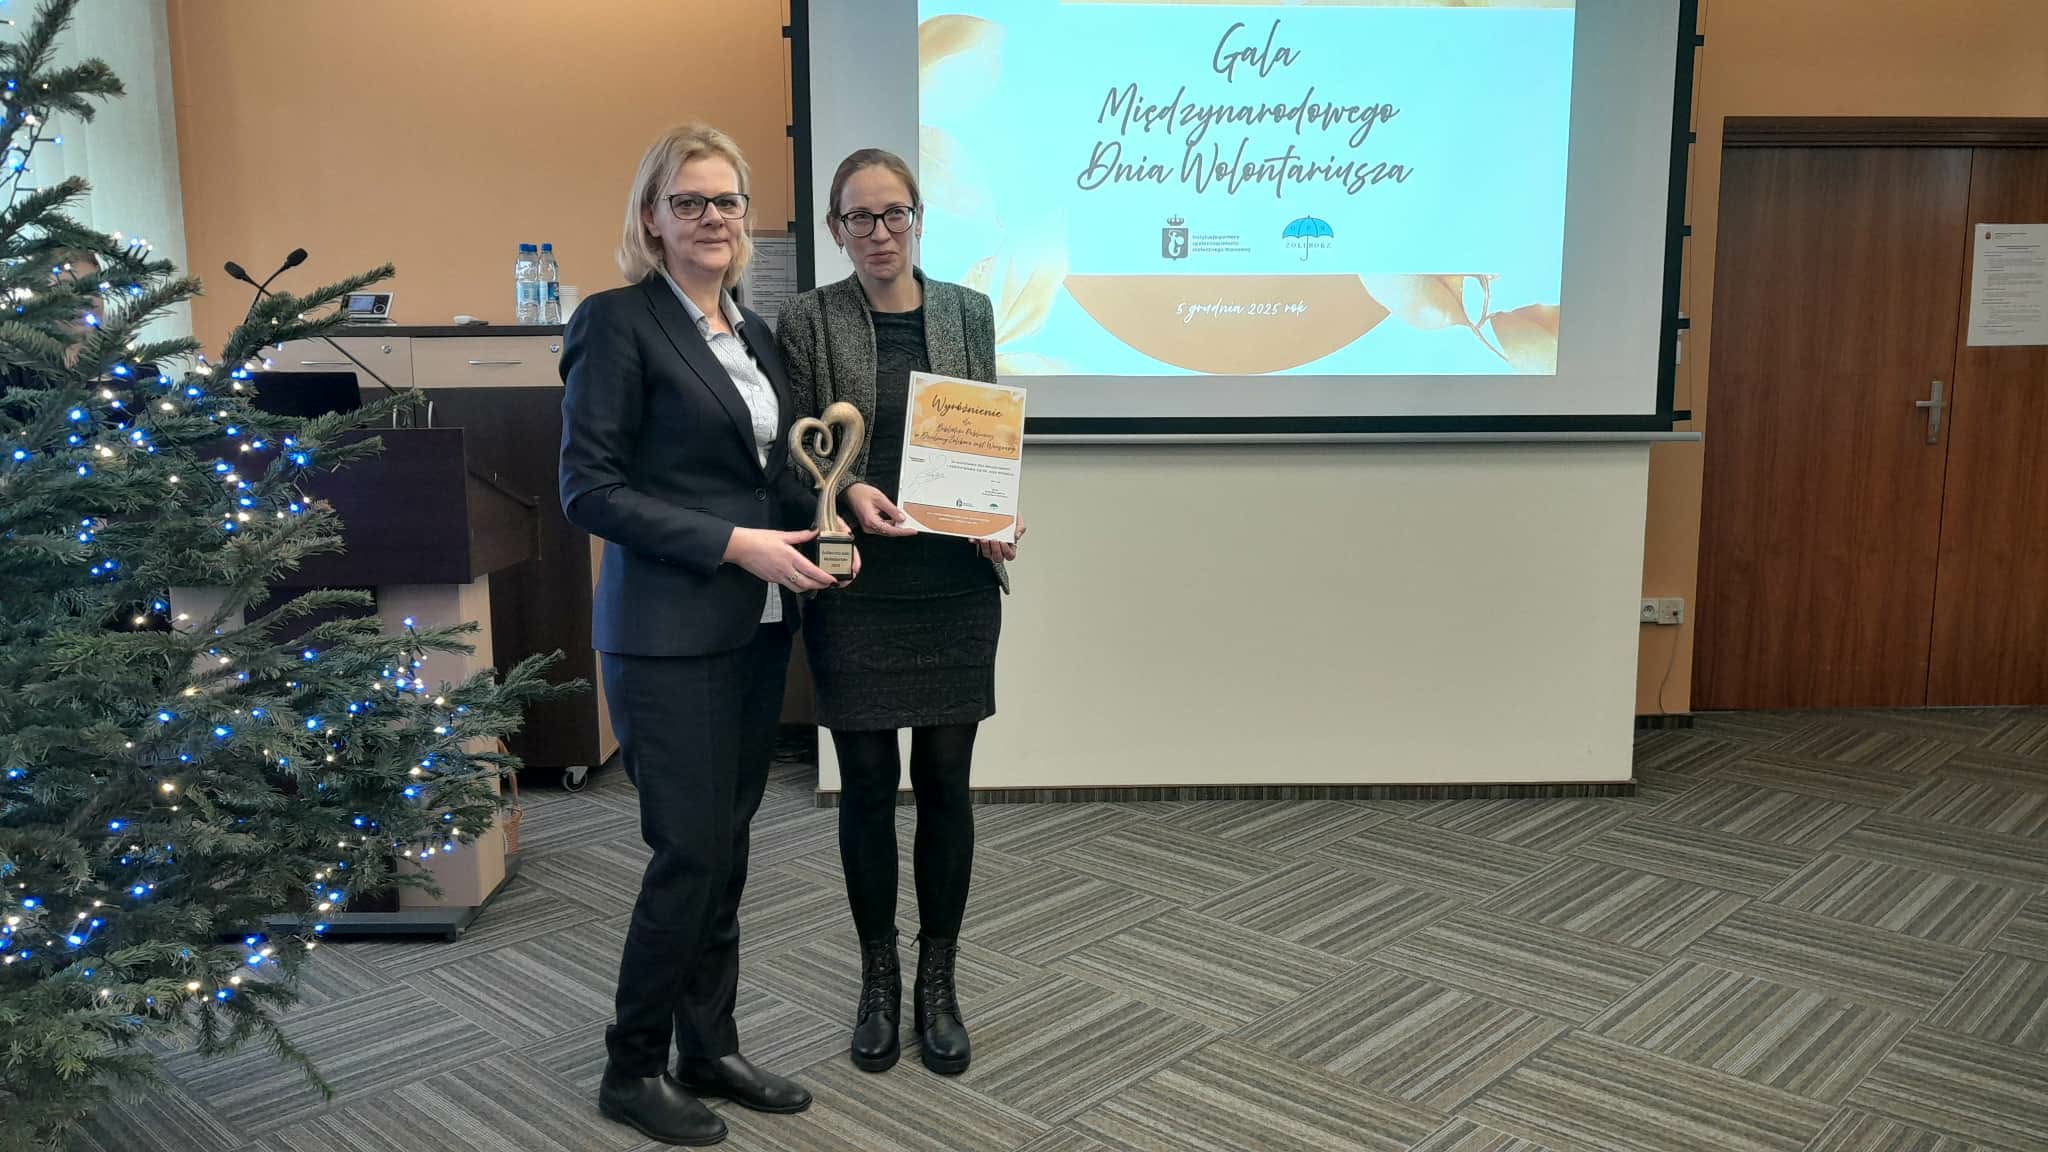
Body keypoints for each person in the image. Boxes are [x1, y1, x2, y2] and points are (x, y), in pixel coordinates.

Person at [560, 123, 852, 1147]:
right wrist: (734, 545)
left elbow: (775, 479)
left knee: (726, 849)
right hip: (665, 634)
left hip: (754, 628)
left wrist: (849, 503)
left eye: (727, 201)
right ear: (652, 218)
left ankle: (707, 1046)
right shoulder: (616, 323)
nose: (713, 218)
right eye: (688, 202)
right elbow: (589, 491)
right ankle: (630, 1066)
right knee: (686, 853)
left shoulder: (754, 332)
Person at [777, 148, 1021, 1077]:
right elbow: (794, 452)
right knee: (869, 783)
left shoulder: (968, 311)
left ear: (919, 218)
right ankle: (877, 979)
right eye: (859, 217)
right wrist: (845, 495)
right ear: (835, 228)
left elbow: (985, 438)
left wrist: (999, 514)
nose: (879, 233)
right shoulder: (807, 319)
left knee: (948, 780)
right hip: (856, 583)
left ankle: (938, 982)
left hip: (953, 579)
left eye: (895, 215)